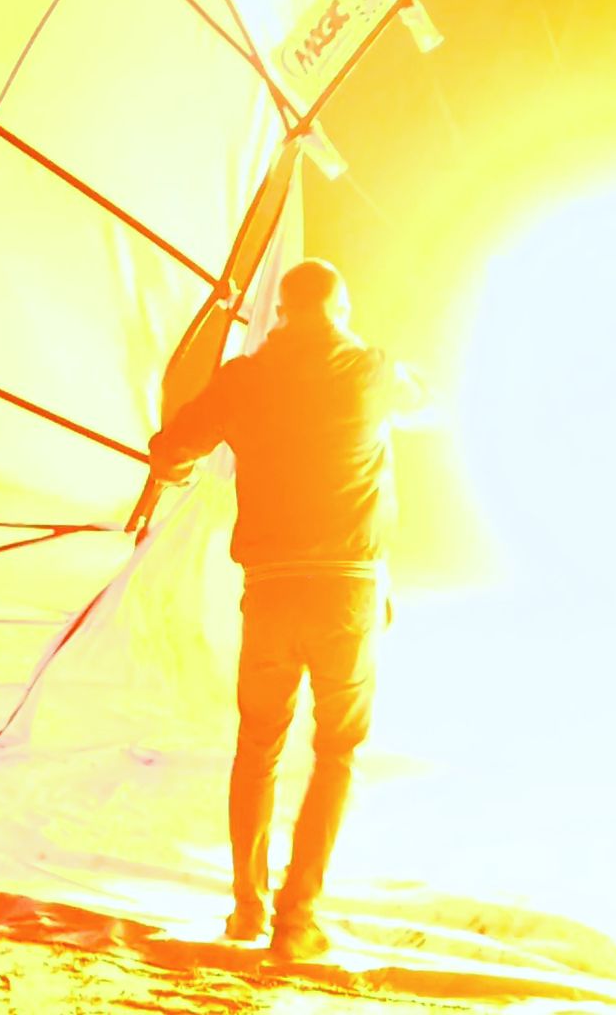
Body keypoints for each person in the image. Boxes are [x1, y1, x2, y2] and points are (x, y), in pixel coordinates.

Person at [147, 259, 422, 963]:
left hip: (271, 591)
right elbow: (428, 402)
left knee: (258, 746)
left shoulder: (244, 380)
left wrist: (174, 461)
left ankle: (247, 908)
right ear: (341, 307)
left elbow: (173, 451)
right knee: (337, 753)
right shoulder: (370, 371)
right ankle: (297, 921)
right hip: (349, 593)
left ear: (281, 314)